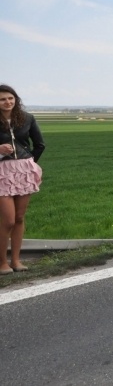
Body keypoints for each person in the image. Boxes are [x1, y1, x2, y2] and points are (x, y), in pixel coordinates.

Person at [0, 85, 45, 275]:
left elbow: (40, 144)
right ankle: (2, 262)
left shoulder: (27, 118)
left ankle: (16, 260)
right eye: (2, 99)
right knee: (8, 220)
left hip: (23, 170)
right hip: (2, 171)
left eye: (10, 98)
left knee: (19, 217)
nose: (7, 102)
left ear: (16, 99)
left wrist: (29, 163)